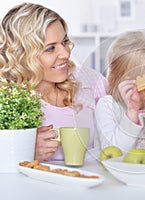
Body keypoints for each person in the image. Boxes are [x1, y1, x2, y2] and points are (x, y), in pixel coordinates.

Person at [0, 3, 107, 161]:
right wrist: (22, 150)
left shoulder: (90, 81)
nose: (65, 54)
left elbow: (125, 139)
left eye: (64, 42)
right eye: (50, 48)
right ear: (22, 56)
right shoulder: (7, 100)